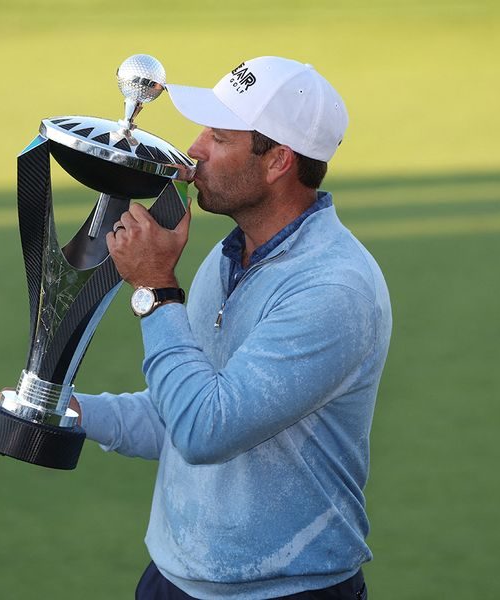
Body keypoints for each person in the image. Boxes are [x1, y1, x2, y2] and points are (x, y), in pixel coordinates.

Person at [76, 56, 391, 599]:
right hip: (173, 580)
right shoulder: (228, 259)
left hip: (287, 591)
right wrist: (72, 411)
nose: (194, 150)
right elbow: (178, 413)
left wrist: (156, 288)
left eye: (219, 138)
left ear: (278, 163)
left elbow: (206, 431)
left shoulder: (333, 290)